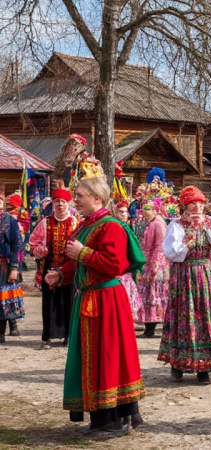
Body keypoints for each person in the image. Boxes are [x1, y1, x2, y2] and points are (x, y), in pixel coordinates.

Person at [43, 161, 146, 438]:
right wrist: (61, 274)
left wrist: (83, 254)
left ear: (97, 198)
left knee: (109, 357)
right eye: (75, 195)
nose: (74, 200)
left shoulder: (110, 226)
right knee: (93, 359)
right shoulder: (89, 225)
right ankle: (102, 418)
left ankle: (116, 420)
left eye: (80, 195)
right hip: (90, 299)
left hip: (107, 301)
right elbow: (77, 262)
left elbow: (114, 264)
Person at [159, 186, 211, 384]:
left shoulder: (210, 223)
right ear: (184, 206)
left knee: (206, 315)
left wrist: (210, 228)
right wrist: (187, 241)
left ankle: (205, 366)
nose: (197, 207)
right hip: (184, 274)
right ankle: (178, 362)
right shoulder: (176, 225)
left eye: (200, 203)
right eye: (192, 203)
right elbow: (172, 253)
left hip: (205, 274)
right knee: (184, 315)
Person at [29, 188, 77, 349]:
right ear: (53, 204)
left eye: (63, 201)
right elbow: (33, 242)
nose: (60, 204)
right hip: (49, 267)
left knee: (68, 301)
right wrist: (39, 249)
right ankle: (47, 336)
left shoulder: (75, 222)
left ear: (68, 203)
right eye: (57, 202)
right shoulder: (45, 222)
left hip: (68, 268)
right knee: (48, 302)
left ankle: (68, 336)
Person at [132, 179, 171, 338]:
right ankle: (148, 327)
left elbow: (159, 245)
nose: (144, 210)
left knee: (154, 295)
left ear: (155, 209)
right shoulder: (144, 222)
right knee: (146, 295)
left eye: (148, 208)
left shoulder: (158, 223)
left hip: (155, 264)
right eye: (143, 207)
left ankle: (153, 328)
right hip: (145, 262)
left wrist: (154, 264)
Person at [112, 201, 143, 322]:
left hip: (126, 272)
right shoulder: (116, 227)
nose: (126, 215)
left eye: (126, 212)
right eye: (122, 212)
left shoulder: (126, 227)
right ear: (115, 213)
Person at [0, 193, 23, 344]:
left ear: (3, 204)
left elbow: (17, 245)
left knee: (5, 298)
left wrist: (15, 268)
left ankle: (2, 332)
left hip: (5, 265)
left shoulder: (10, 221)